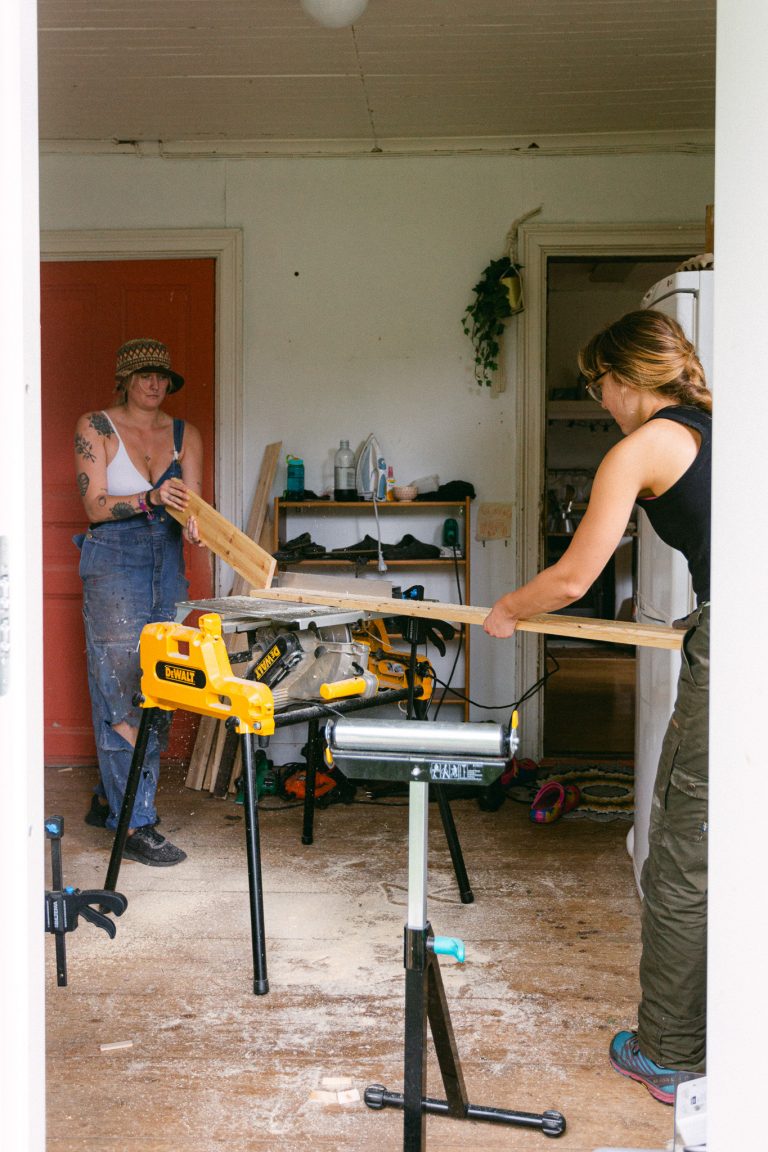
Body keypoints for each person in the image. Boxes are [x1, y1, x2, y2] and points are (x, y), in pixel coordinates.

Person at [484, 309, 710, 1105]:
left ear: (623, 378)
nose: (599, 400)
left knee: (683, 853)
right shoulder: (714, 427)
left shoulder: (639, 446)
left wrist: (510, 608)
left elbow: (574, 578)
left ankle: (672, 1052)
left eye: (597, 384)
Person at [73, 338, 204, 866]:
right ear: (124, 379)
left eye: (162, 376)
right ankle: (135, 824)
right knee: (120, 688)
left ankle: (113, 797)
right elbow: (96, 505)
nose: (155, 384)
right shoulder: (95, 428)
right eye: (144, 375)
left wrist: (196, 525)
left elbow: (192, 505)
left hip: (166, 561)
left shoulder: (183, 434)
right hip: (113, 560)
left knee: (162, 680)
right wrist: (150, 497)